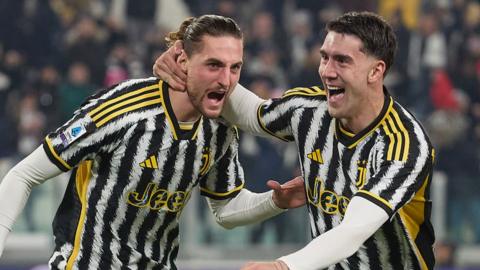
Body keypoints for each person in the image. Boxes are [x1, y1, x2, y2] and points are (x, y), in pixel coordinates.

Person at [0, 15, 306, 269]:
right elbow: (23, 174)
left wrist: (275, 202)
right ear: (182, 60)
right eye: (214, 65)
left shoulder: (220, 128)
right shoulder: (120, 108)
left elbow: (225, 208)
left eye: (235, 67)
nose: (226, 80)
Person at [154, 11, 436, 270]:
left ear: (376, 71)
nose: (327, 71)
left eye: (342, 60)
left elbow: (354, 231)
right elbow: (251, 113)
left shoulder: (405, 144)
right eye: (325, 57)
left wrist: (282, 267)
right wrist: (190, 65)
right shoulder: (309, 109)